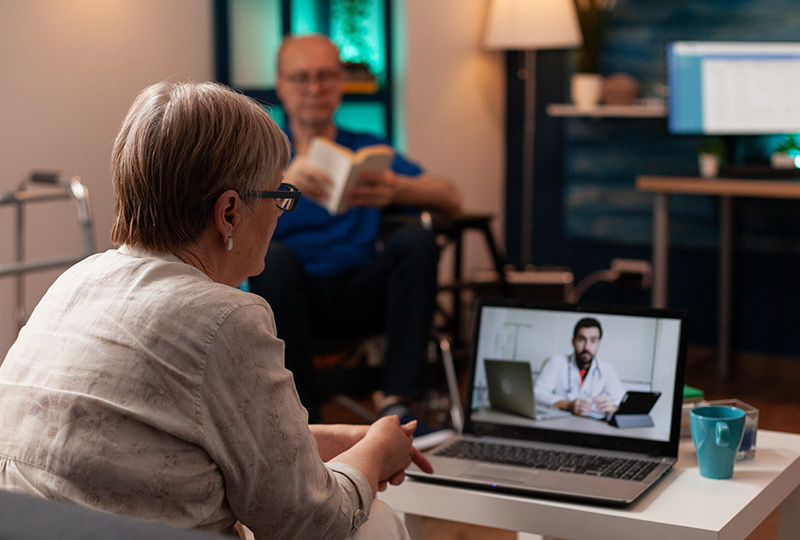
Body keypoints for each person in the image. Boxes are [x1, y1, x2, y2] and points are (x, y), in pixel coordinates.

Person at [0, 81, 432, 540]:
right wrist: (379, 449)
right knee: (375, 521)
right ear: (229, 212)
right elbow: (313, 523)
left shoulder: (73, 282)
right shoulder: (223, 317)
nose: (281, 211)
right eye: (278, 194)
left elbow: (154, 439)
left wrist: (319, 443)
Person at [248, 34, 462, 426]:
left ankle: (399, 403)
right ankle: (304, 421)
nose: (314, 88)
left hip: (364, 292)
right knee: (275, 261)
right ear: (280, 85)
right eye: (301, 78)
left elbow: (450, 196)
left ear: (341, 83)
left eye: (326, 76)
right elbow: (230, 225)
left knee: (416, 240)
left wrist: (397, 188)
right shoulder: (260, 156)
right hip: (293, 299)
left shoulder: (367, 147)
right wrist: (282, 184)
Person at [534, 317, 626, 417]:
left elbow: (622, 401)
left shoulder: (607, 369)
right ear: (573, 341)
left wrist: (613, 407)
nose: (587, 347)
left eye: (593, 341)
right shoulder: (557, 362)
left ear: (599, 344)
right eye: (581, 340)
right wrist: (568, 405)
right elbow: (537, 394)